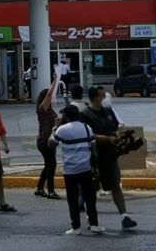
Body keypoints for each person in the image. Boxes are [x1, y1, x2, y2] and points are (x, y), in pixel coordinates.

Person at [81, 86, 137, 230]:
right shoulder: (85, 115)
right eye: (102, 95)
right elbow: (89, 135)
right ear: (95, 97)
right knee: (93, 188)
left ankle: (124, 216)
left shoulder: (108, 111)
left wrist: (117, 134)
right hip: (94, 156)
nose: (104, 98)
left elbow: (115, 126)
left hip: (111, 154)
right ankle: (90, 218)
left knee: (115, 185)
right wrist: (107, 139)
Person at [50, 104, 102, 235]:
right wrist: (95, 167)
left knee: (72, 199)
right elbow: (93, 149)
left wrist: (54, 128)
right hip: (86, 168)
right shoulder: (87, 128)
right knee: (89, 198)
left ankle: (76, 227)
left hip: (70, 170)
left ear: (66, 116)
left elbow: (51, 144)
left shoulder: (62, 130)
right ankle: (94, 224)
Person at [35, 84, 62, 200]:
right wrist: (55, 82)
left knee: (49, 165)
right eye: (50, 98)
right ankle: (50, 191)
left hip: (50, 141)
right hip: (44, 141)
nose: (52, 99)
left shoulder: (49, 110)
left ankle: (39, 188)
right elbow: (49, 95)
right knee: (52, 165)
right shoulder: (42, 109)